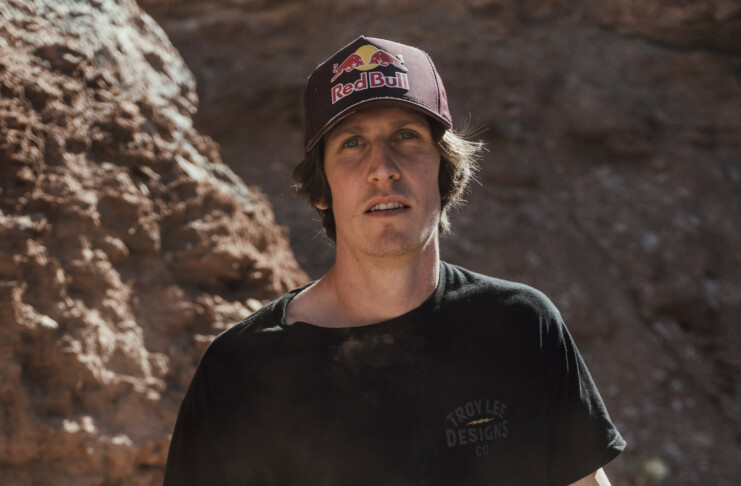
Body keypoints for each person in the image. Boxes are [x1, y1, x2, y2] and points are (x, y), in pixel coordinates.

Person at [163, 36, 625, 486]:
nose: (383, 168)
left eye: (406, 137)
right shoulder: (240, 369)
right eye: (352, 143)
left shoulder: (520, 327)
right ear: (322, 188)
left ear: (444, 171)